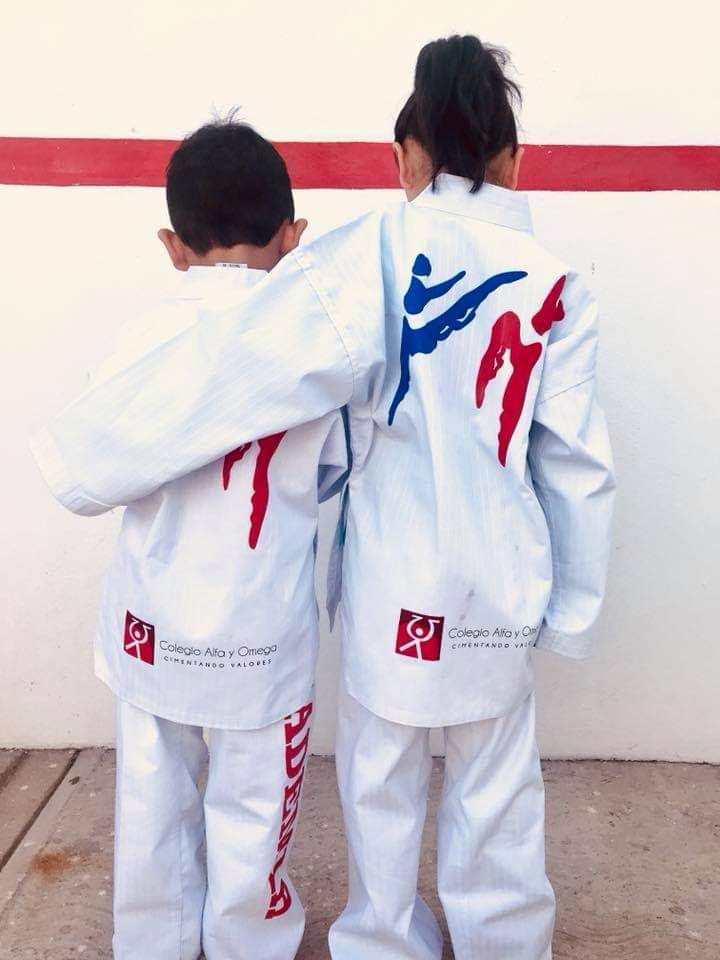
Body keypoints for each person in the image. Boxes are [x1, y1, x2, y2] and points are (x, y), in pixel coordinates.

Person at [32, 36, 615, 960]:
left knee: (381, 785)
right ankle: (506, 944)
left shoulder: (363, 258)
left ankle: (382, 942)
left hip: (394, 584)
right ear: (513, 161)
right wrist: (572, 610)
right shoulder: (558, 284)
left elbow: (237, 374)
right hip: (503, 583)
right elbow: (576, 463)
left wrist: (80, 460)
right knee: (499, 787)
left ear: (406, 159)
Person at [47, 120, 349, 960]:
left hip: (152, 626)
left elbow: (92, 470)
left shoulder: (139, 343)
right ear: (293, 236)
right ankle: (250, 944)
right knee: (256, 813)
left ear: (173, 246)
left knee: (151, 802)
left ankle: (153, 945)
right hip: (261, 632)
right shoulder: (316, 353)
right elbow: (333, 474)